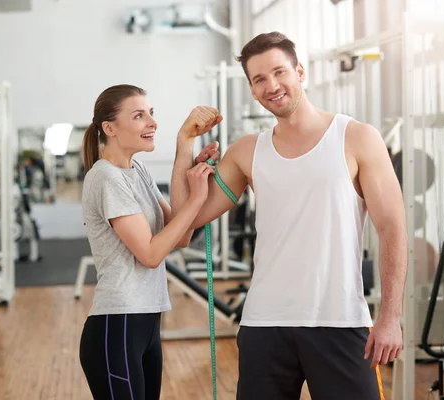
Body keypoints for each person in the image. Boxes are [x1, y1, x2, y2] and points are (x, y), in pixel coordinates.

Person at [171, 32, 408, 399]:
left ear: (300, 71)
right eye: (259, 79)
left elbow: (392, 227)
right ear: (252, 90)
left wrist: (390, 318)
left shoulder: (357, 138)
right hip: (265, 324)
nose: (272, 86)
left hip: (339, 322)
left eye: (279, 72)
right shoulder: (247, 152)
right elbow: (183, 227)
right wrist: (184, 143)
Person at [78, 84, 221, 400]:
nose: (152, 122)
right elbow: (152, 253)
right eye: (139, 115)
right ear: (110, 128)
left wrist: (186, 150)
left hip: (146, 322)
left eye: (151, 114)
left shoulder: (136, 170)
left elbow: (180, 235)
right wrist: (197, 196)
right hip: (117, 326)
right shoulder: (106, 178)